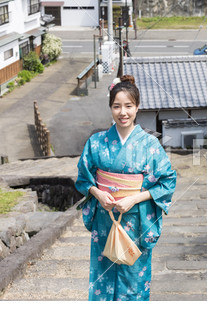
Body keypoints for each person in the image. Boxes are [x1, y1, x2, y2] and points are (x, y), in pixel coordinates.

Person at [75, 74, 176, 301]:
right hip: (105, 217)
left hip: (136, 219)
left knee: (134, 279)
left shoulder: (150, 144)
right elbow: (83, 177)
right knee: (103, 274)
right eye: (117, 106)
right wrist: (98, 193)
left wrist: (135, 199)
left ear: (137, 107)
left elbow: (168, 180)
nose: (123, 112)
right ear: (110, 108)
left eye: (128, 106)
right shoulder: (96, 142)